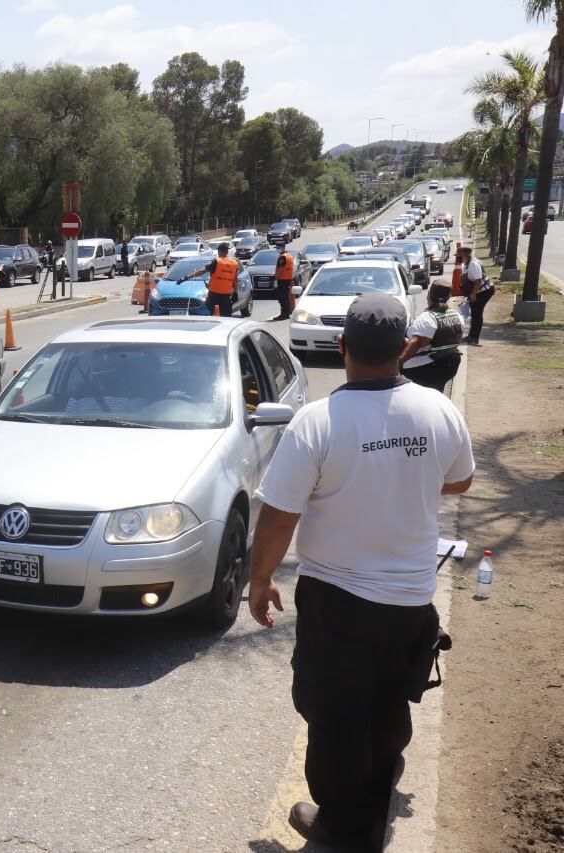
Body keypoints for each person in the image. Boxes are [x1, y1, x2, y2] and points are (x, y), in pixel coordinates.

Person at [248, 292, 475, 850]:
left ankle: (344, 828)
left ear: (343, 345)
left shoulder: (317, 422)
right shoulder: (437, 410)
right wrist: (408, 476)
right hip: (412, 599)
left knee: (335, 713)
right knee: (387, 703)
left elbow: (279, 516)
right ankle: (372, 803)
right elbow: (461, 479)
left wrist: (259, 580)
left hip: (338, 599)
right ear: (402, 349)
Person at [400, 282, 464, 392]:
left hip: (427, 367)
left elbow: (417, 343)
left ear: (429, 295)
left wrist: (399, 363)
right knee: (436, 392)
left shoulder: (427, 318)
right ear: (449, 297)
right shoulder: (456, 315)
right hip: (451, 363)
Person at [186, 243, 238, 317]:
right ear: (227, 251)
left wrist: (187, 277)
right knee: (226, 318)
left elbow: (202, 271)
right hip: (226, 296)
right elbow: (235, 280)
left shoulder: (216, 261)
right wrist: (236, 293)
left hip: (213, 295)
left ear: (219, 251)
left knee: (209, 315)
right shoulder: (234, 263)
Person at [456, 246, 491, 345]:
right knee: (475, 313)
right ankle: (472, 336)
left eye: (459, 256)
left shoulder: (473, 264)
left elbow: (478, 280)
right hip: (480, 291)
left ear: (465, 255)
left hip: (483, 291)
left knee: (477, 314)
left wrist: (473, 294)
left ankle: (474, 338)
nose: (458, 258)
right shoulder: (470, 262)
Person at [273, 242, 296, 321]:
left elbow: (280, 269)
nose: (277, 250)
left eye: (278, 248)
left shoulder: (282, 257)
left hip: (282, 280)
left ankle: (283, 314)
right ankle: (286, 313)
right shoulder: (289, 256)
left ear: (283, 248)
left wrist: (275, 278)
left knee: (282, 298)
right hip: (288, 279)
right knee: (286, 297)